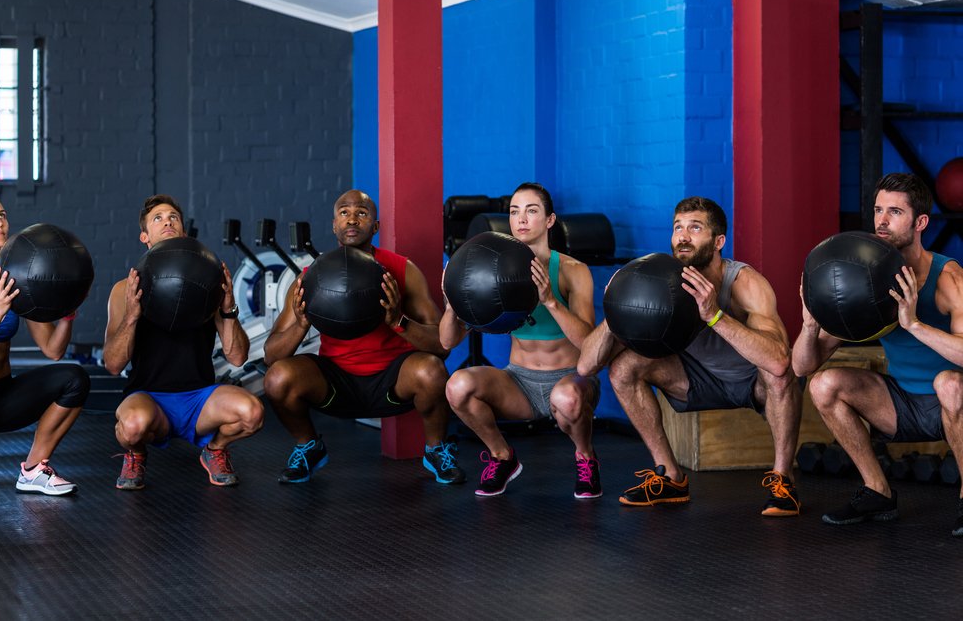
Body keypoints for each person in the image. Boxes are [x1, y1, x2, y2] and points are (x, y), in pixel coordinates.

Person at [578, 196, 801, 516]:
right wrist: (617, 308)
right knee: (623, 367)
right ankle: (670, 476)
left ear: (718, 241)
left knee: (781, 374)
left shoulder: (743, 283)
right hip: (694, 380)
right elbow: (585, 366)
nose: (682, 236)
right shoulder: (659, 282)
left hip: (751, 382)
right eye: (678, 228)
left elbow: (779, 360)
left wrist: (714, 316)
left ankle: (783, 481)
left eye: (695, 228)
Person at [793, 172, 963, 536]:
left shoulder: (948, 278)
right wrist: (810, 325)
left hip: (955, 401)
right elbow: (801, 367)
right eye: (877, 210)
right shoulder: (864, 278)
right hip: (902, 404)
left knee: (949, 383)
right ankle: (877, 491)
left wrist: (915, 324)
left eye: (895, 212)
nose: (882, 222)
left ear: (920, 222)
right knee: (824, 385)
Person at [262, 189, 465, 485]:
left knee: (432, 370)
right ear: (334, 225)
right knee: (278, 378)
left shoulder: (402, 269)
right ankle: (308, 447)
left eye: (362, 213)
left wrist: (399, 321)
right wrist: (301, 324)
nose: (352, 219)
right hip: (335, 384)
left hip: (392, 380)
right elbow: (271, 355)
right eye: (344, 212)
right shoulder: (309, 277)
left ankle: (436, 450)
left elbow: (442, 346)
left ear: (376, 226)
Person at [439, 183, 601, 498]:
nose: (521, 219)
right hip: (520, 382)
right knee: (457, 386)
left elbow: (590, 345)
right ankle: (502, 456)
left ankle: (585, 456)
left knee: (567, 398)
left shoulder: (572, 270)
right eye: (514, 211)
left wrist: (551, 301)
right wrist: (451, 304)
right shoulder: (494, 269)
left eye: (531, 210)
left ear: (550, 220)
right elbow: (447, 341)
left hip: (570, 380)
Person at [103, 194, 263, 490]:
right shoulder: (125, 290)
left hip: (200, 399)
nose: (167, 221)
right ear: (145, 236)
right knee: (132, 426)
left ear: (183, 232)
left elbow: (237, 357)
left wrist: (227, 308)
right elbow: (113, 364)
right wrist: (132, 317)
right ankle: (136, 454)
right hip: (149, 398)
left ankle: (215, 450)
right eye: (158, 219)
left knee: (251, 413)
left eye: (173, 217)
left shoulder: (208, 281)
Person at [0, 192, 90, 506]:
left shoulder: (17, 277)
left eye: (2, 215)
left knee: (75, 378)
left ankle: (33, 469)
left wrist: (68, 313)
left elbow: (52, 350)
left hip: (2, 398)